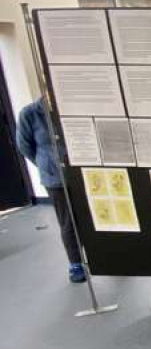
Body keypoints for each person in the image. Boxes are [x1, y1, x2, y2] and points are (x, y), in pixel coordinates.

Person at [16, 97, 86, 283]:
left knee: (93, 217)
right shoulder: (30, 114)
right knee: (68, 221)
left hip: (81, 172)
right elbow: (25, 146)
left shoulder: (73, 105)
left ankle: (102, 256)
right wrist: (46, 163)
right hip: (55, 177)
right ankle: (75, 264)